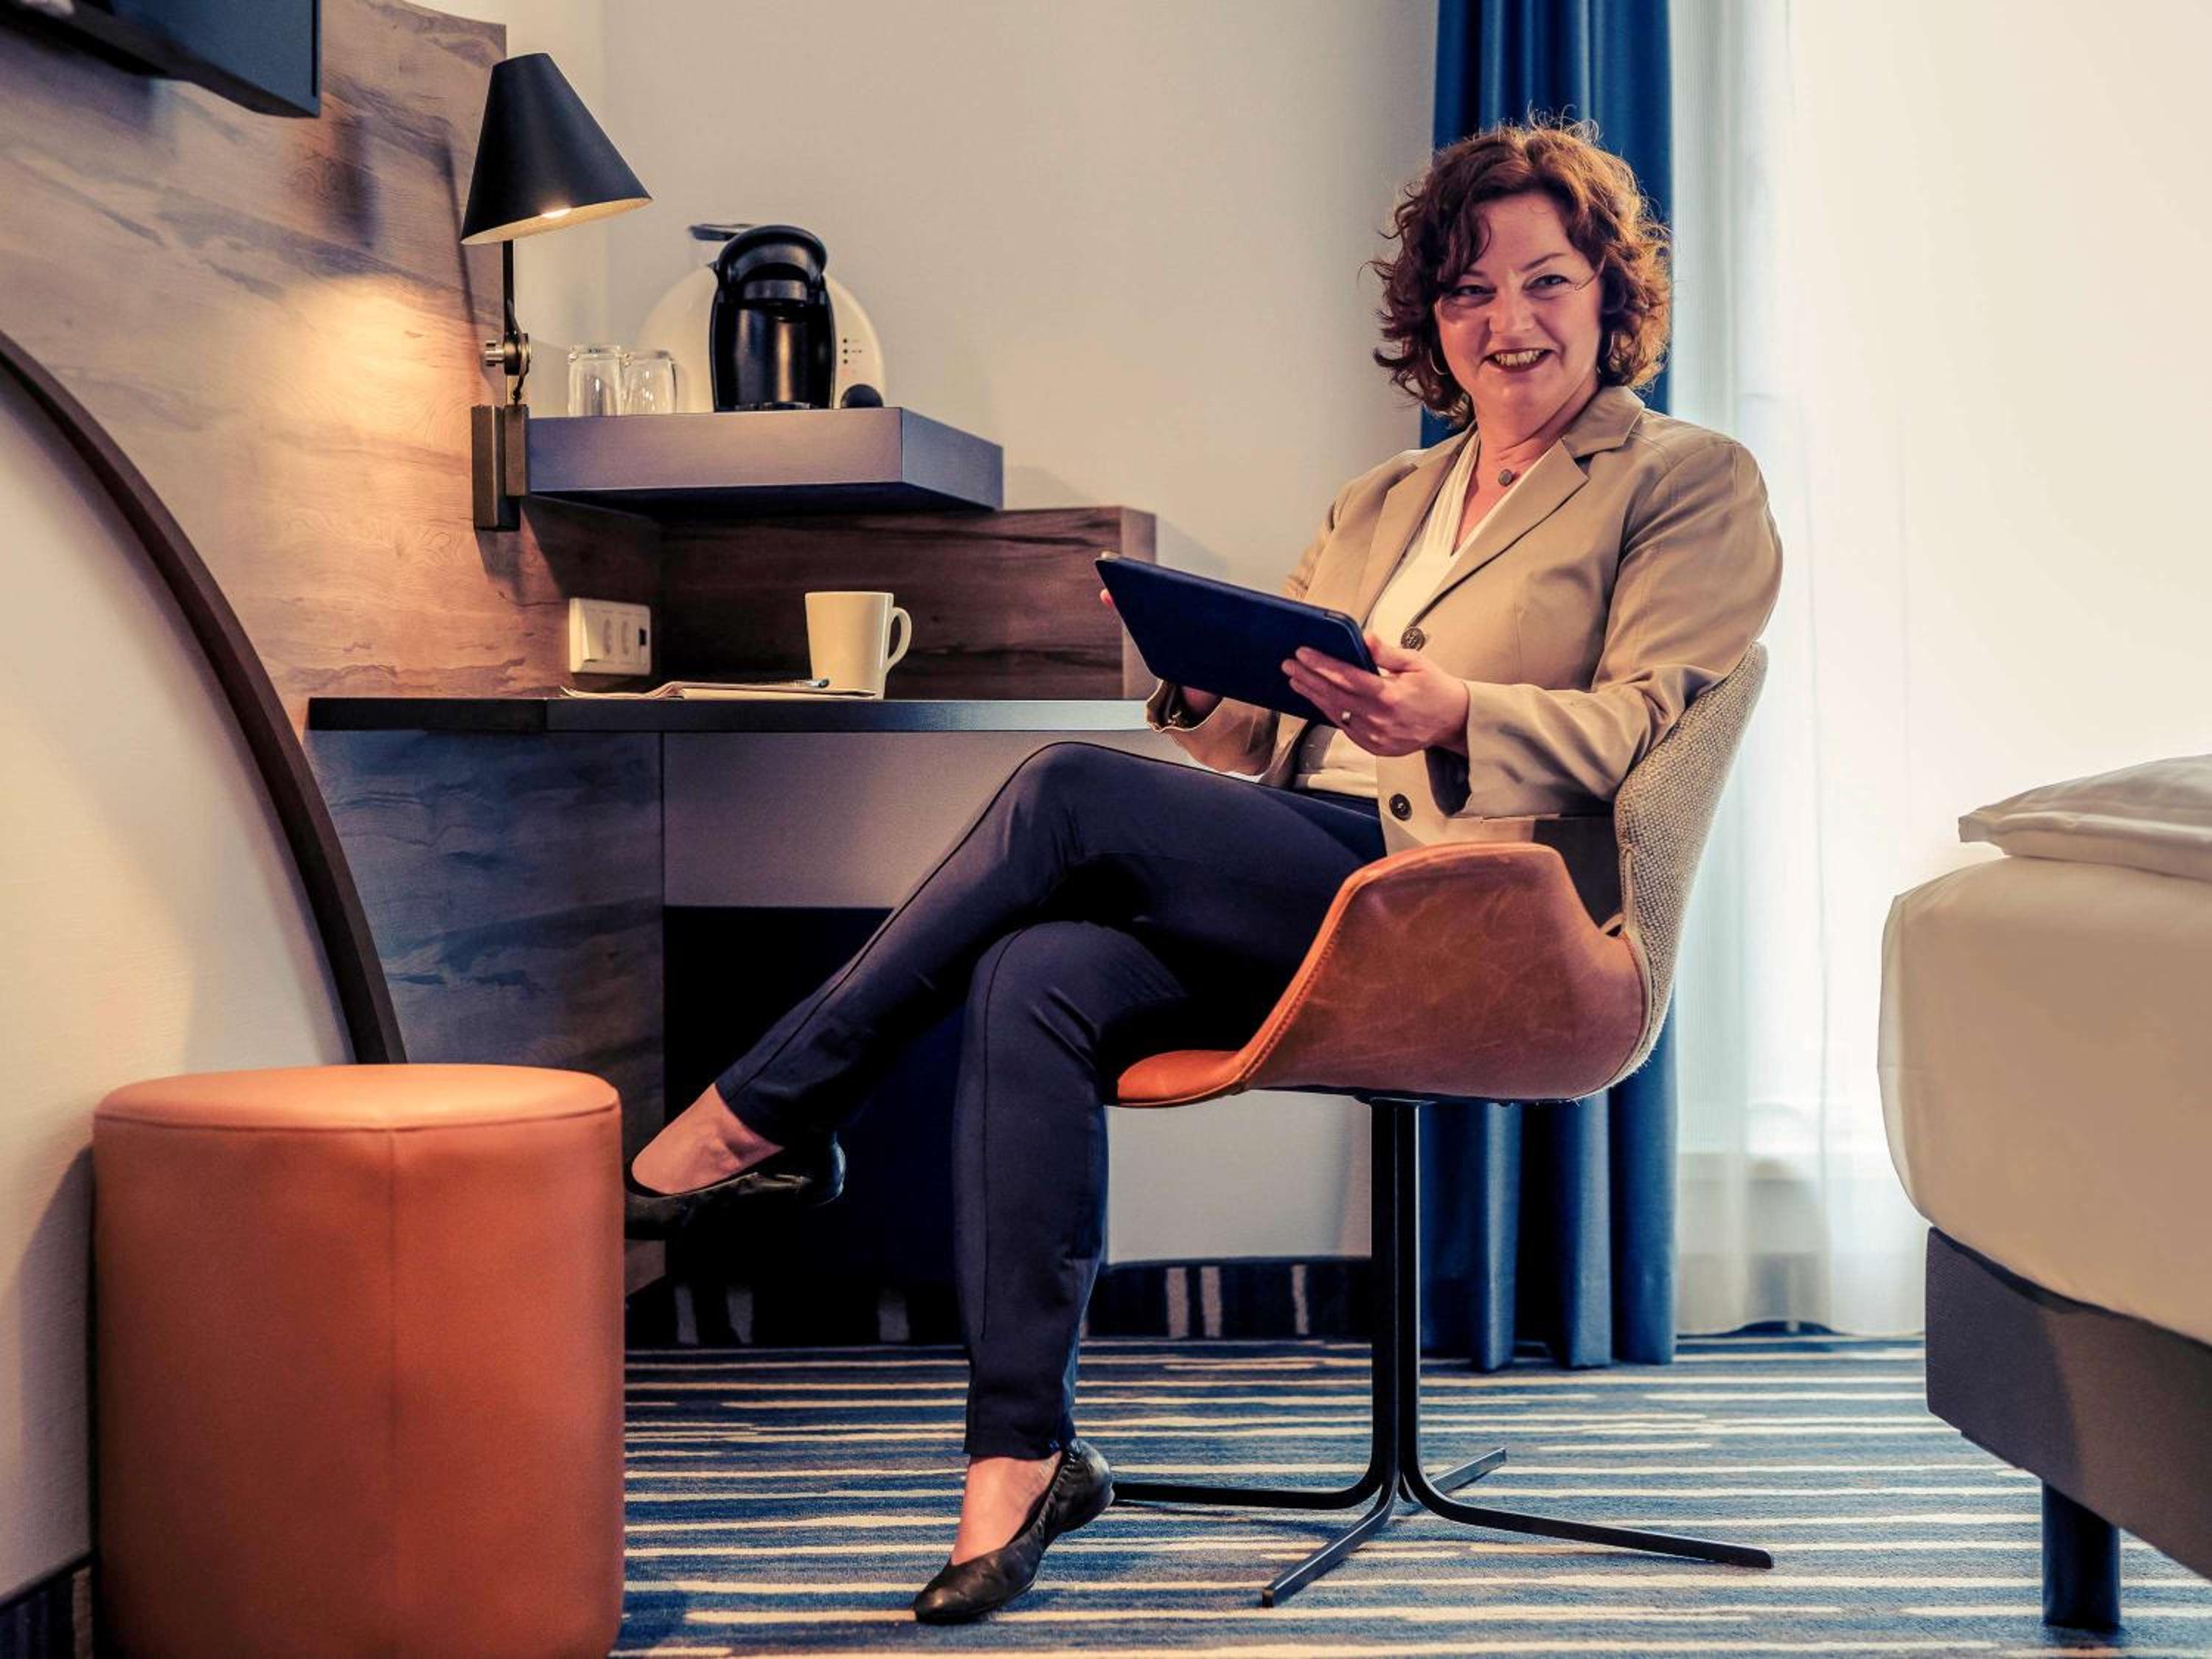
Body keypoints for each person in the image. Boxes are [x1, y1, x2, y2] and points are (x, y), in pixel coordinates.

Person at [622, 115, 1783, 1624]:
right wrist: (1191, 679)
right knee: (1036, 973)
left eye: (1547, 281)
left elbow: (1650, 727)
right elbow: (1261, 744)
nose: (1508, 321)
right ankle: (1019, 1460)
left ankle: (767, 1106)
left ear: (1610, 293)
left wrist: (1455, 713)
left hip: (1488, 906)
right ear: (1430, 318)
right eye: (1469, 291)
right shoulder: (1382, 503)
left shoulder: (1685, 480)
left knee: (1063, 791)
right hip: (1313, 882)